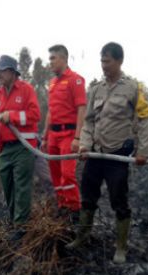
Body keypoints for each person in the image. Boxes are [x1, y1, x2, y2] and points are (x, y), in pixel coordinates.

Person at [66, 42, 148, 264]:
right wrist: (84, 144)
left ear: (119, 61)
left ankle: (121, 247)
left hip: (118, 155)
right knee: (87, 196)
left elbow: (145, 118)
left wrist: (144, 151)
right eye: (101, 61)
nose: (103, 65)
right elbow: (88, 122)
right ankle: (82, 236)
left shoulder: (133, 88)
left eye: (107, 61)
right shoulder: (96, 89)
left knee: (119, 200)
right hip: (95, 154)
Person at [0, 55, 41, 240]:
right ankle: (13, 220)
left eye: (2, 71)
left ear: (12, 72)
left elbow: (35, 115)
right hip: (5, 149)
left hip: (24, 148)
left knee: (22, 187)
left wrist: (12, 116)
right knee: (7, 185)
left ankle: (21, 227)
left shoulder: (26, 90)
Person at [42, 44, 87, 222]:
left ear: (64, 58)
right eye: (50, 59)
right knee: (55, 174)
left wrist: (78, 137)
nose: (50, 62)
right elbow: (51, 111)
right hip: (53, 135)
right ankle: (62, 206)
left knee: (67, 174)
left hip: (69, 135)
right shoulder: (52, 83)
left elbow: (81, 109)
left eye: (53, 58)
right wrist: (45, 136)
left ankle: (75, 209)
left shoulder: (76, 80)